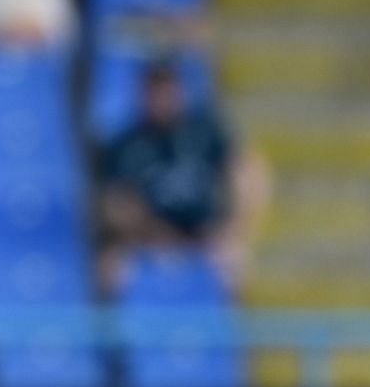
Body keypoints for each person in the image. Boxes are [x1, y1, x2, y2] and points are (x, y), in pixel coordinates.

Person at [99, 61, 256, 293]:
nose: (161, 102)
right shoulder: (126, 142)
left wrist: (233, 227)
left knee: (236, 261)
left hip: (205, 234)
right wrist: (150, 232)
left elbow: (246, 170)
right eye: (155, 94)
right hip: (148, 238)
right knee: (110, 267)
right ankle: (116, 329)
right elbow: (114, 203)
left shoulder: (204, 129)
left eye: (167, 93)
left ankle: (228, 326)